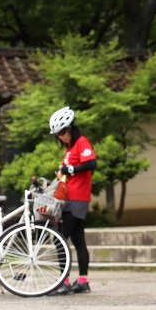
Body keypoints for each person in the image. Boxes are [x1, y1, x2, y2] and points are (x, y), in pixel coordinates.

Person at [48, 107, 96, 295]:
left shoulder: (81, 143)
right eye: (57, 134)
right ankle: (82, 281)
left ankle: (64, 282)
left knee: (59, 239)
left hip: (77, 198)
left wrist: (71, 170)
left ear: (71, 128)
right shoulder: (70, 148)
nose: (61, 136)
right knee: (77, 240)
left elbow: (92, 163)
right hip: (70, 197)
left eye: (62, 132)